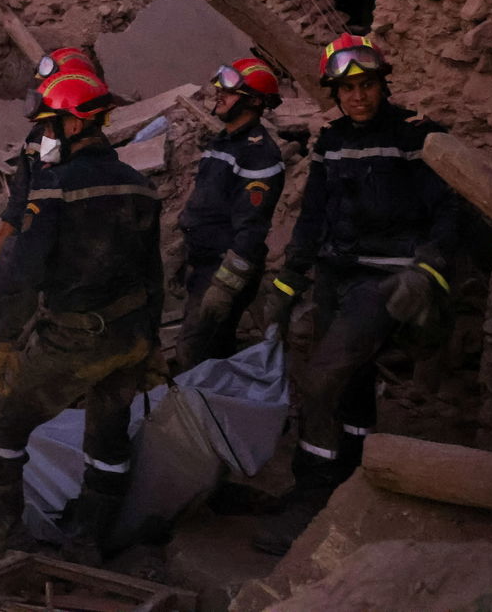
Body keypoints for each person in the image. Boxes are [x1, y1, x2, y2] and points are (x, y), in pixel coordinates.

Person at [253, 34, 459, 555]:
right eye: (346, 90)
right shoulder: (333, 142)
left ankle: (313, 498)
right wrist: (288, 279)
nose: (357, 98)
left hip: (388, 281)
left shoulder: (414, 136)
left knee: (322, 380)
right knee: (351, 383)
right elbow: (314, 216)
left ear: (381, 84)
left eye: (366, 86)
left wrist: (429, 269)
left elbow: (451, 212)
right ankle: (354, 482)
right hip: (337, 276)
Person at [0, 68, 162, 561]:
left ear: (75, 126)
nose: (45, 136)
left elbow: (24, 273)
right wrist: (153, 343)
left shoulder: (55, 188)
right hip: (132, 335)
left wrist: (4, 341)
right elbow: (154, 274)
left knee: (1, 428)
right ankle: (90, 542)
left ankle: (3, 536)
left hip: (77, 339)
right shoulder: (140, 186)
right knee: (107, 437)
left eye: (50, 125)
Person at [0, 48, 98, 443]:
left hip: (65, 257)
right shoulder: (38, 139)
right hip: (27, 243)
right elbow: (19, 202)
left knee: (44, 350)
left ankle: (33, 429)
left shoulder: (92, 154)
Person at [175, 57, 285, 370]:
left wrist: (224, 287)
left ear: (254, 101)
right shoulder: (222, 141)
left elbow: (251, 231)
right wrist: (181, 248)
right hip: (203, 263)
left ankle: (202, 414)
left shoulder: (259, 154)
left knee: (193, 354)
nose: (219, 94)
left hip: (222, 268)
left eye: (230, 91)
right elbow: (206, 204)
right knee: (213, 349)